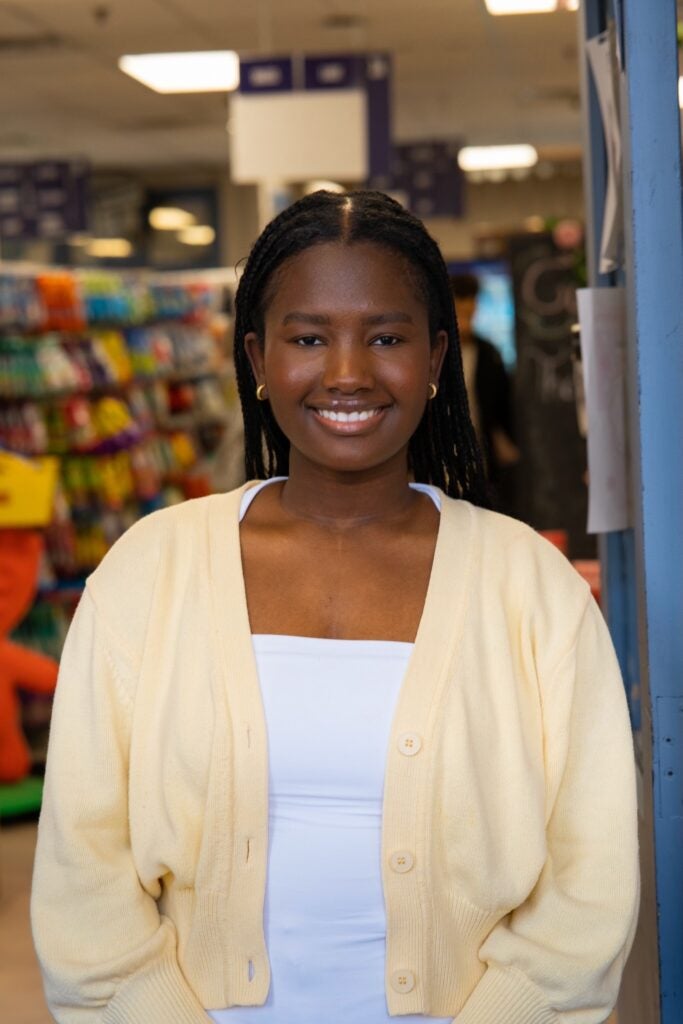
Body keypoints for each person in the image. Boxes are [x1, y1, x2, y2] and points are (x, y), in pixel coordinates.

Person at [31, 190, 639, 1024]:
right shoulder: (150, 571)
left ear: (433, 360)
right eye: (308, 337)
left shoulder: (529, 588)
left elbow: (589, 874)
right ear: (255, 358)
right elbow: (83, 866)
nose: (347, 372)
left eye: (385, 338)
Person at [450, 272, 520, 513]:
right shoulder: (434, 353)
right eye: (460, 312)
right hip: (442, 448)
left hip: (481, 448)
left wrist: (508, 443)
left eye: (470, 312)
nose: (466, 319)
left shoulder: (488, 353)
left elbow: (503, 405)